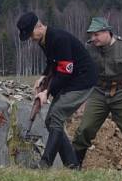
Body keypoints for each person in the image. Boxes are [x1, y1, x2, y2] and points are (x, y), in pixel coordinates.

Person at [17, 12, 98, 169]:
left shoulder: (58, 39)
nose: (31, 39)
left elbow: (65, 70)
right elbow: (53, 63)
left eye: (31, 34)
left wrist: (46, 92)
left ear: (39, 26)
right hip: (69, 81)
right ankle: (72, 165)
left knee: (56, 116)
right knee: (50, 121)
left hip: (83, 80)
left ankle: (45, 164)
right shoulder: (43, 40)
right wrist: (43, 77)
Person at [72, 17, 122, 173]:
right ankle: (74, 166)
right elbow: (78, 69)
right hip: (99, 92)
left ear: (107, 32)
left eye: (96, 35)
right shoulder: (89, 48)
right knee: (85, 129)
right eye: (91, 35)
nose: (93, 38)